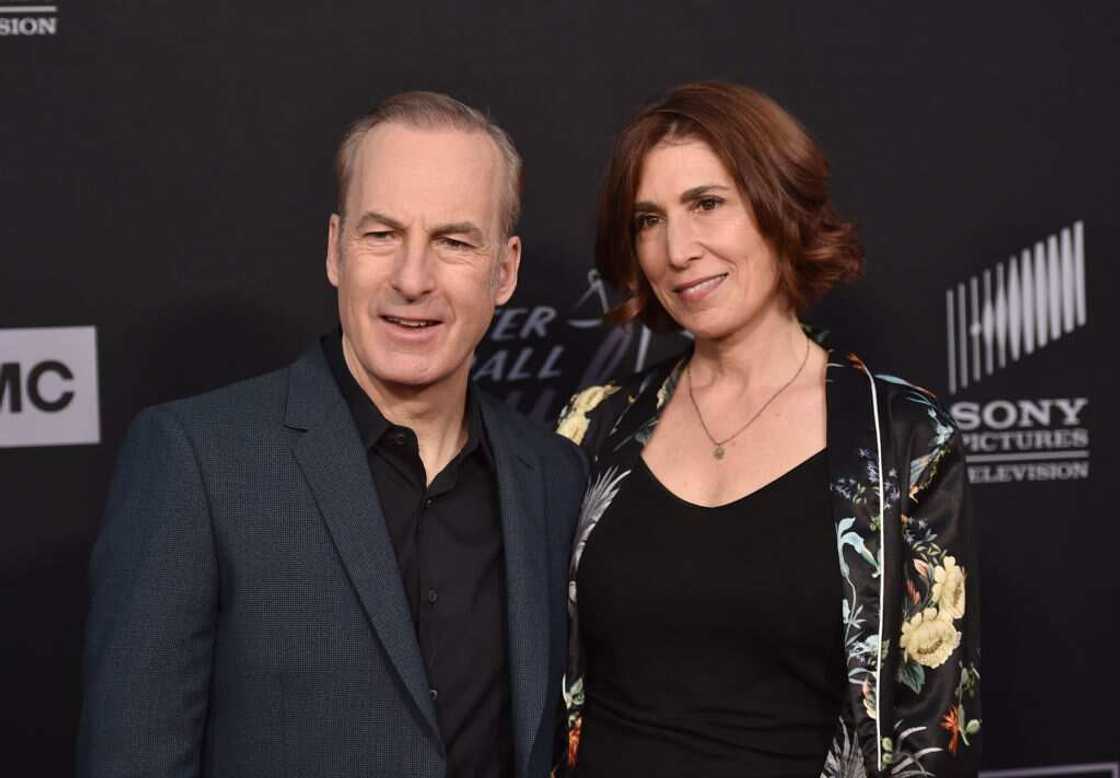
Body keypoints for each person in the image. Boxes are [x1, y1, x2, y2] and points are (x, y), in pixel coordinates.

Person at [78, 91, 586, 778]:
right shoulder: (198, 461)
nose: (413, 279)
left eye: (454, 242)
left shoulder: (553, 476)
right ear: (334, 252)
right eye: (382, 235)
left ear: (505, 270)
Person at [555, 82, 980, 778]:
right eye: (648, 220)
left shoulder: (902, 438)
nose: (677, 249)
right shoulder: (595, 422)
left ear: (777, 205)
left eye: (707, 204)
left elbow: (935, 734)